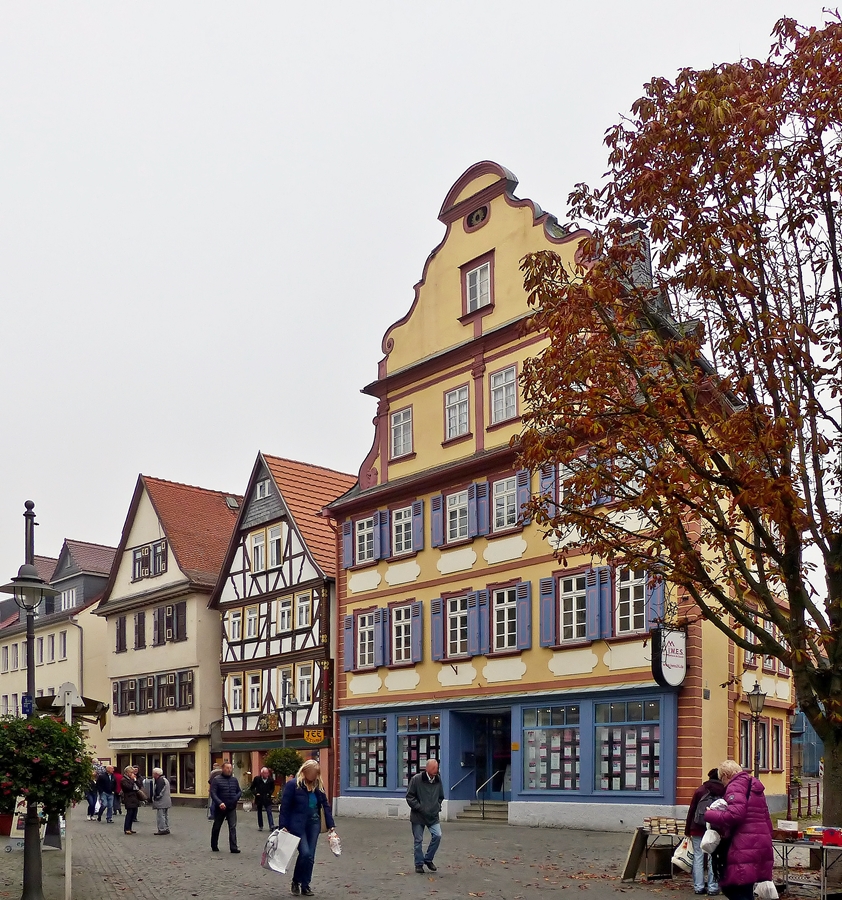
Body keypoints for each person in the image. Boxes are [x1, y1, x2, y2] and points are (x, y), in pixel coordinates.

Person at [704, 759, 773, 900]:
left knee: (735, 888)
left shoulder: (735, 786)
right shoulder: (754, 785)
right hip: (760, 842)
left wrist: (710, 814)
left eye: (722, 779)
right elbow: (766, 817)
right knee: (744, 886)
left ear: (726, 775)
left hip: (743, 843)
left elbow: (735, 815)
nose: (722, 783)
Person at [280, 759, 336, 897]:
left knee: (310, 856)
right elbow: (285, 807)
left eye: (316, 773)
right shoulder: (293, 785)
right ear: (304, 772)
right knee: (304, 853)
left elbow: (325, 806)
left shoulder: (318, 786)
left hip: (314, 824)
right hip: (297, 825)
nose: (313, 776)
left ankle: (305, 884)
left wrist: (331, 825)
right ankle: (295, 881)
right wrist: (283, 826)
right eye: (311, 773)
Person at [685, 767, 725, 895]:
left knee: (698, 856)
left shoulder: (700, 790)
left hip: (697, 827)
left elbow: (692, 810)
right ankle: (713, 887)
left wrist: (687, 830)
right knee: (713, 856)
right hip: (714, 828)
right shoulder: (724, 791)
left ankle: (699, 887)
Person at [405, 758, 444, 875]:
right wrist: (420, 807)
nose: (435, 770)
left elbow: (441, 796)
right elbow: (409, 797)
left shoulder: (438, 780)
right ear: (426, 768)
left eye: (436, 768)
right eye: (433, 768)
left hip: (433, 815)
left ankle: (428, 859)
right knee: (418, 840)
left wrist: (437, 806)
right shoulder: (416, 779)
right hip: (418, 816)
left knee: (437, 835)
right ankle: (419, 864)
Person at [210, 761, 242, 853]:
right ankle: (214, 845)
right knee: (217, 826)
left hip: (231, 807)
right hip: (220, 807)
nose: (229, 770)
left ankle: (233, 847)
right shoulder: (216, 780)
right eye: (227, 768)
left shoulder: (234, 780)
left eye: (230, 768)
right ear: (223, 769)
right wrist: (219, 803)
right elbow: (213, 793)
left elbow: (239, 791)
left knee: (232, 827)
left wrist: (235, 798)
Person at [251, 766, 276, 831]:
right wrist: (256, 793)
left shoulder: (270, 780)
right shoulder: (257, 779)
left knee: (269, 811)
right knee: (259, 812)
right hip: (259, 798)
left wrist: (269, 793)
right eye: (265, 773)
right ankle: (261, 826)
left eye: (267, 773)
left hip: (267, 798)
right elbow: (252, 788)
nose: (266, 775)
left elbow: (272, 788)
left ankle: (271, 826)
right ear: (261, 773)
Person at [121, 766, 142, 835]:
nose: (133, 774)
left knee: (133, 814)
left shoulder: (132, 779)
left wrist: (135, 780)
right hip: (129, 798)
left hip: (134, 798)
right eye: (131, 772)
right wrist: (132, 780)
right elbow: (128, 787)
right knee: (129, 814)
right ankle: (126, 828)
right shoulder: (124, 780)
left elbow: (139, 786)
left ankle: (130, 828)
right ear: (127, 773)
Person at [152, 767, 172, 835]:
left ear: (156, 774)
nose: (153, 775)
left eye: (153, 774)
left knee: (161, 815)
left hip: (161, 801)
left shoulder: (160, 781)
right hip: (166, 801)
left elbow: (159, 791)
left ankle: (162, 829)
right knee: (165, 815)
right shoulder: (165, 779)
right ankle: (166, 828)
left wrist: (156, 798)